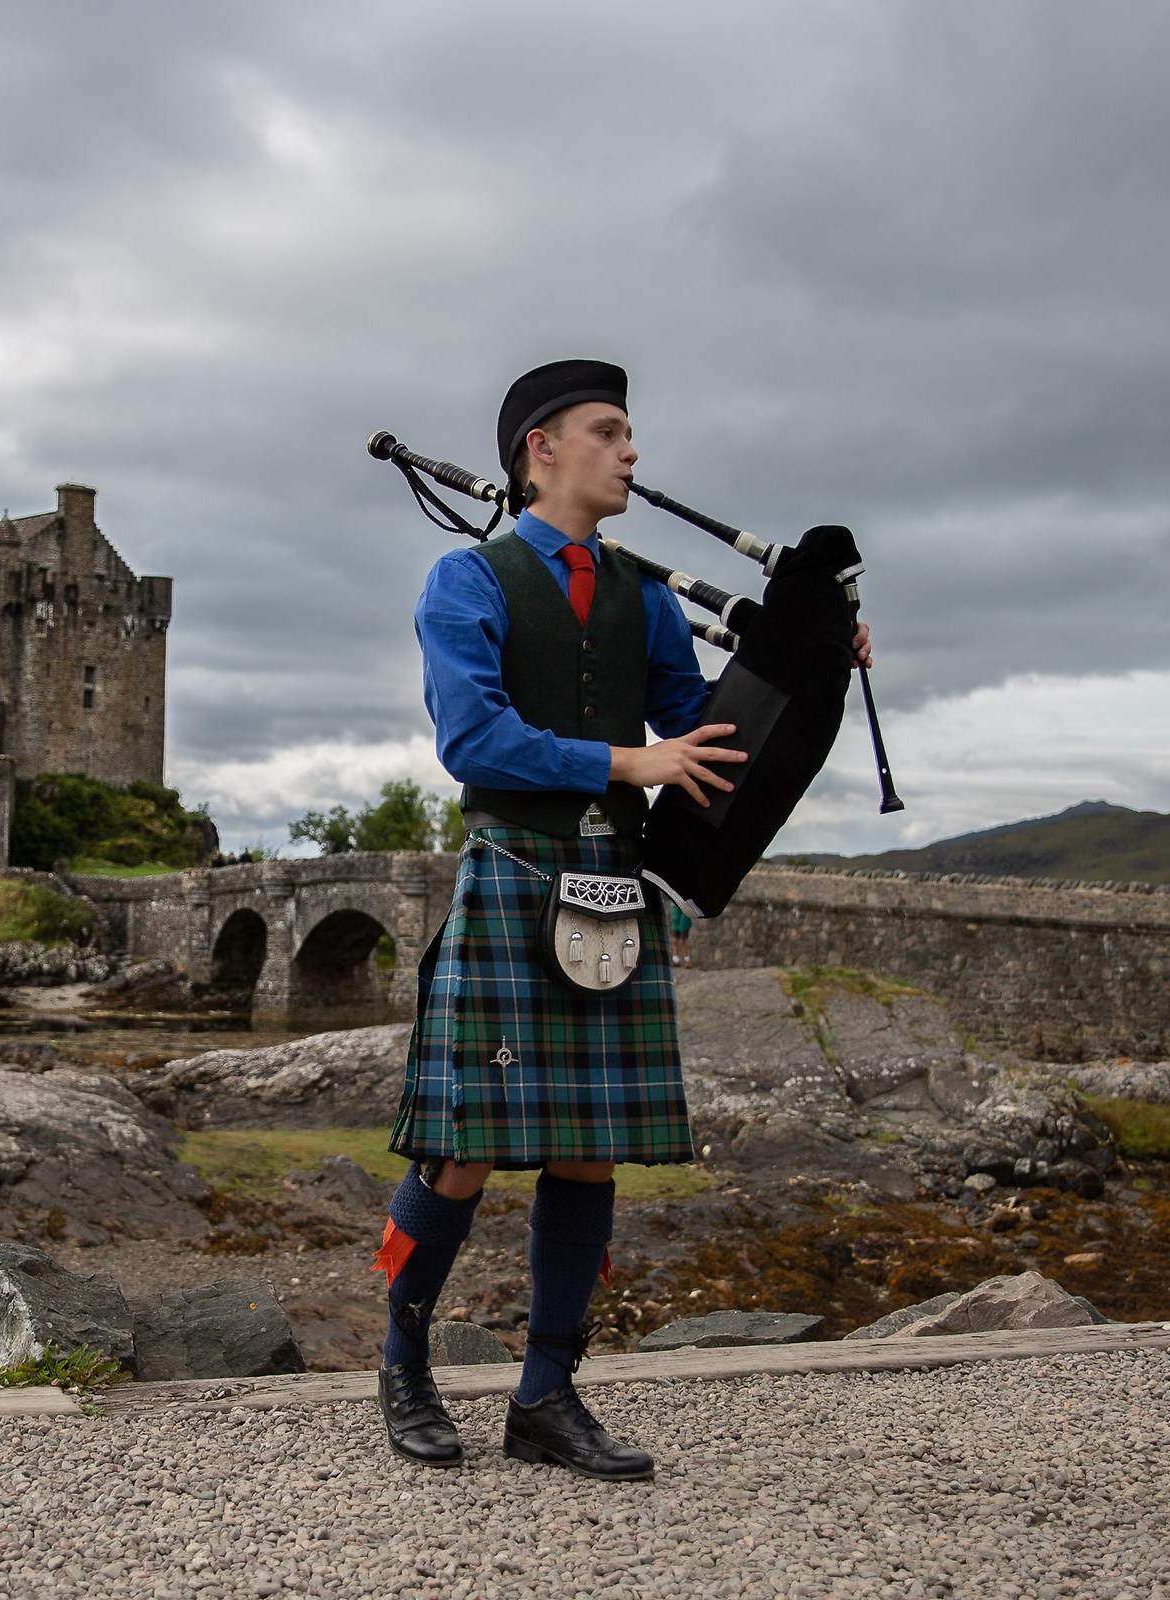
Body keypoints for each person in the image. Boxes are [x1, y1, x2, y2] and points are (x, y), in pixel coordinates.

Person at [379, 358, 870, 1479]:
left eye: (632, 432)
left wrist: (810, 663)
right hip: (512, 869)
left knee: (590, 1152)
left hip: (616, 884)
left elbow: (708, 739)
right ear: (542, 449)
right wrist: (622, 759)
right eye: (610, 432)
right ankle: (404, 1354)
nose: (632, 451)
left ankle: (547, 1396)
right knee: (461, 1153)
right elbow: (472, 738)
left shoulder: (646, 594)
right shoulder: (469, 581)